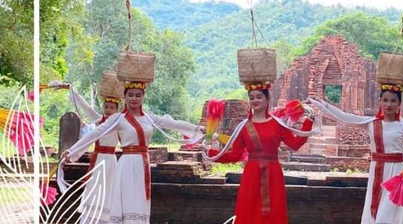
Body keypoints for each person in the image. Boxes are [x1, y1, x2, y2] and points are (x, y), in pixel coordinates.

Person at [60, 80, 204, 224]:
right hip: (126, 163)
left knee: (139, 200)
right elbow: (96, 133)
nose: (134, 98)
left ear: (143, 97)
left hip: (142, 164)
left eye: (137, 95)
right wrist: (72, 151)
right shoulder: (117, 118)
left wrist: (198, 130)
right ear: (125, 97)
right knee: (126, 199)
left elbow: (174, 124)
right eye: (130, 95)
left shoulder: (150, 118)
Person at [309, 84, 403, 224]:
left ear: (399, 104)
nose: (389, 104)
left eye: (393, 101)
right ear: (380, 102)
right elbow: (344, 117)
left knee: (391, 212)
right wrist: (319, 103)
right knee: (374, 211)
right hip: (376, 171)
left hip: (397, 174)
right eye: (385, 100)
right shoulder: (371, 123)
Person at [202, 83, 320, 224]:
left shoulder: (278, 124)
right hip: (251, 175)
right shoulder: (244, 126)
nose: (255, 101)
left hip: (273, 173)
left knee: (274, 210)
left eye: (259, 97)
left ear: (267, 98)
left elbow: (295, 144)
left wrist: (308, 122)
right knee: (248, 210)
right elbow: (235, 155)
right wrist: (209, 151)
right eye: (251, 98)